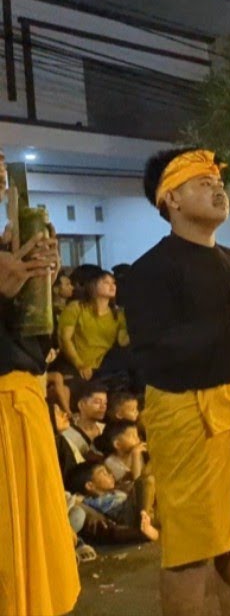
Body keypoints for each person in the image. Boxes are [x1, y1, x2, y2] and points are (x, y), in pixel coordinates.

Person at [117, 148, 230, 615]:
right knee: (189, 553)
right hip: (190, 418)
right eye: (201, 182)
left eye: (217, 180)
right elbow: (156, 354)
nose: (216, 187)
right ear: (172, 199)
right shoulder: (150, 269)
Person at [0, 175, 79, 615]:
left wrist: (36, 285)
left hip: (22, 403)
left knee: (30, 562)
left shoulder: (6, 244)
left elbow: (31, 338)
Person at [57, 265, 129, 385]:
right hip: (75, 365)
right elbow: (65, 338)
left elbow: (123, 341)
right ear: (93, 286)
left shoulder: (118, 315)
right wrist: (80, 364)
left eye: (114, 283)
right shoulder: (76, 307)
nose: (112, 286)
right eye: (106, 282)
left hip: (102, 369)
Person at [65, 461, 158, 544]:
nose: (110, 475)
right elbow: (73, 499)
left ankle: (147, 519)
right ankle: (145, 520)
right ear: (90, 485)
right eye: (103, 473)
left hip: (139, 509)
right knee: (145, 481)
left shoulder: (115, 490)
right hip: (130, 516)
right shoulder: (90, 501)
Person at [95, 420, 155, 519]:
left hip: (143, 496)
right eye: (132, 436)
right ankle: (146, 517)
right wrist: (135, 455)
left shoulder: (139, 455)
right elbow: (138, 481)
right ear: (117, 444)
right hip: (130, 501)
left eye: (137, 435)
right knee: (149, 482)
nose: (138, 439)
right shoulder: (111, 462)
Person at [62, 380, 108, 461]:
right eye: (97, 402)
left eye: (105, 403)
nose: (103, 407)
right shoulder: (66, 433)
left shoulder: (106, 430)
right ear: (81, 404)